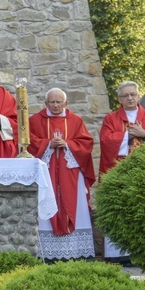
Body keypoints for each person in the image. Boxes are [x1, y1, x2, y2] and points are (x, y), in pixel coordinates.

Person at [99, 80, 145, 259]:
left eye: (133, 94)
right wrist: (127, 134)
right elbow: (106, 141)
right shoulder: (111, 119)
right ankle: (119, 255)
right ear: (119, 99)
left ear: (138, 96)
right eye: (125, 95)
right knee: (120, 210)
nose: (130, 98)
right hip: (120, 173)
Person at [28, 88, 95, 260]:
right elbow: (29, 142)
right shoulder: (35, 121)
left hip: (70, 173)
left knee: (73, 202)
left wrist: (67, 144)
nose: (56, 105)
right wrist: (48, 144)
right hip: (46, 173)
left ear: (66, 103)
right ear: (46, 103)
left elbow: (86, 143)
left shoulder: (75, 120)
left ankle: (75, 251)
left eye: (59, 102)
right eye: (52, 102)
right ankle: (46, 253)